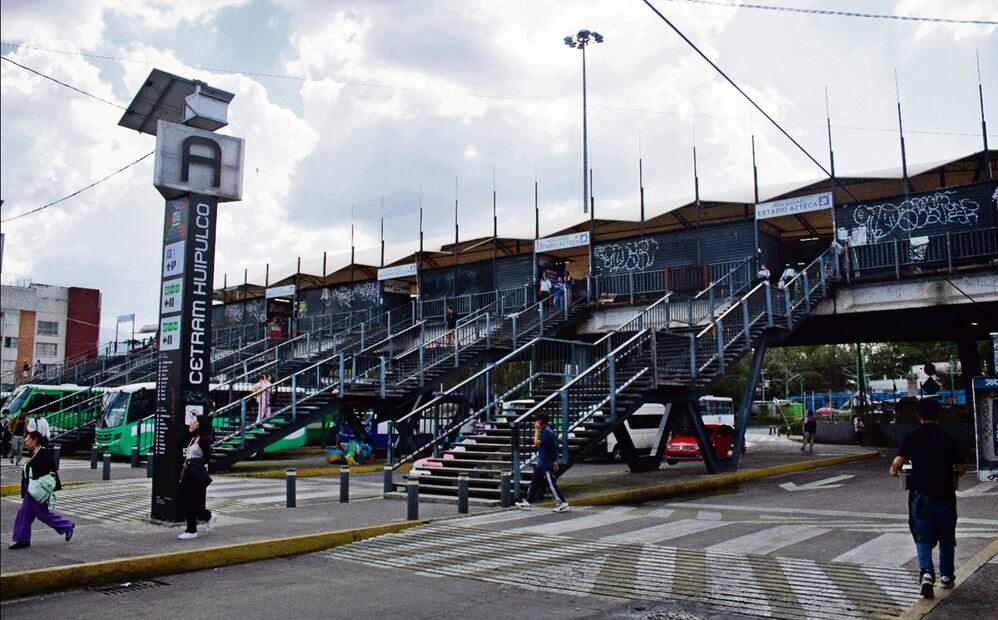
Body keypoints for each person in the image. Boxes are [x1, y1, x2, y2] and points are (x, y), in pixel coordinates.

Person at [889, 400, 965, 599]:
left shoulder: (912, 437)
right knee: (947, 537)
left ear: (919, 416)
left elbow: (897, 463)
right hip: (946, 496)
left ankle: (926, 574)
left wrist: (893, 470)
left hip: (921, 496)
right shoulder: (949, 438)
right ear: (938, 415)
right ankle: (947, 575)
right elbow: (961, 469)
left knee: (923, 537)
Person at [9, 431, 74, 549]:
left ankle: (67, 526)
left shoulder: (43, 453)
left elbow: (50, 469)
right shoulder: (35, 453)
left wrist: (31, 464)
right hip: (31, 489)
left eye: (28, 440)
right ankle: (21, 540)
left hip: (38, 490)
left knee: (42, 514)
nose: (26, 443)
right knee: (24, 514)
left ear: (35, 440)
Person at [515, 413, 569, 512]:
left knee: (551, 483)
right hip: (542, 462)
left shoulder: (546, 432)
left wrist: (535, 430)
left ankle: (562, 502)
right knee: (534, 483)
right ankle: (528, 501)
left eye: (536, 421)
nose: (535, 423)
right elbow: (553, 448)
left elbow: (536, 443)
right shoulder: (548, 432)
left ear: (540, 422)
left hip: (545, 464)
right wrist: (554, 461)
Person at [177, 416, 216, 540]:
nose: (193, 422)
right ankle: (207, 517)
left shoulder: (204, 440)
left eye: (196, 421)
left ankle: (192, 529)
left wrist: (193, 462)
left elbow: (207, 458)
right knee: (186, 498)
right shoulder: (194, 437)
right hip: (188, 470)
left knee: (190, 500)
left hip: (195, 472)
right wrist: (189, 431)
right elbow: (180, 443)